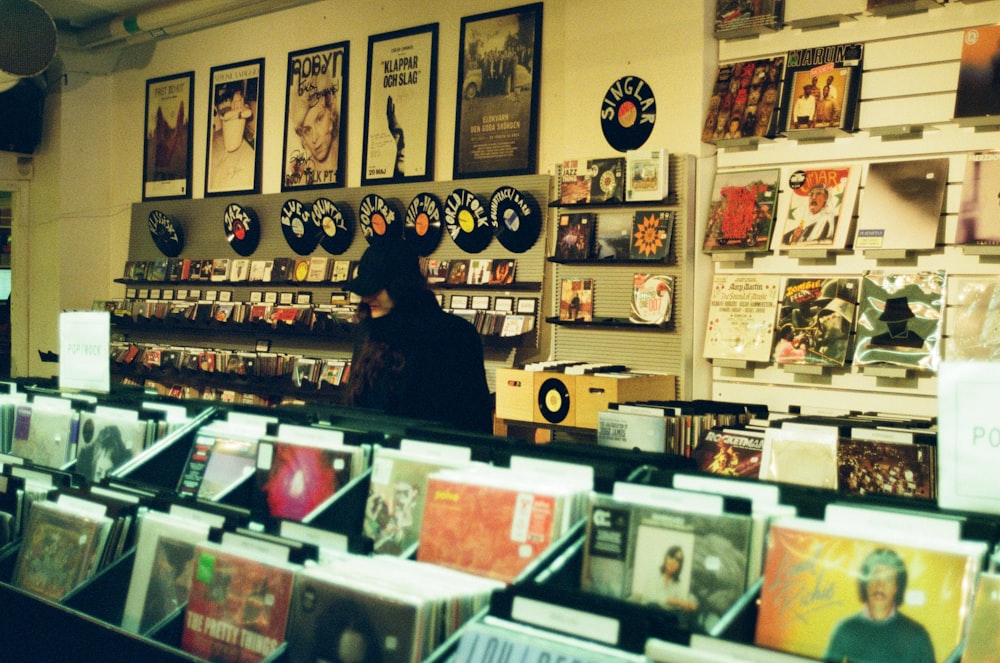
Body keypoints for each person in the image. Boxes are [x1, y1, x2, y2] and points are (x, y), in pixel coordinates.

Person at [342, 239, 493, 433]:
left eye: (376, 288)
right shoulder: (368, 331)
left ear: (403, 287)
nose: (366, 298)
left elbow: (474, 422)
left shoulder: (453, 336)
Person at [824, 548, 935, 663]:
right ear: (865, 584)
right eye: (875, 577)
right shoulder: (845, 629)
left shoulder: (917, 636)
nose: (880, 585)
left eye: (888, 579)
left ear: (896, 588)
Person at [288, 73, 340, 187]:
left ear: (331, 107)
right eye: (307, 130)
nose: (314, 138)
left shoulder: (351, 166)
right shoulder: (298, 179)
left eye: (319, 119)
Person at [632, 545, 699, 612]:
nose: (673, 561)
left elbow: (683, 598)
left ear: (680, 565)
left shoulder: (678, 583)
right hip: (649, 613)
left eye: (678, 560)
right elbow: (650, 597)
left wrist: (689, 604)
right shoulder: (654, 573)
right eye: (671, 557)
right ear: (666, 558)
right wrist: (670, 601)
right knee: (654, 605)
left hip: (665, 617)